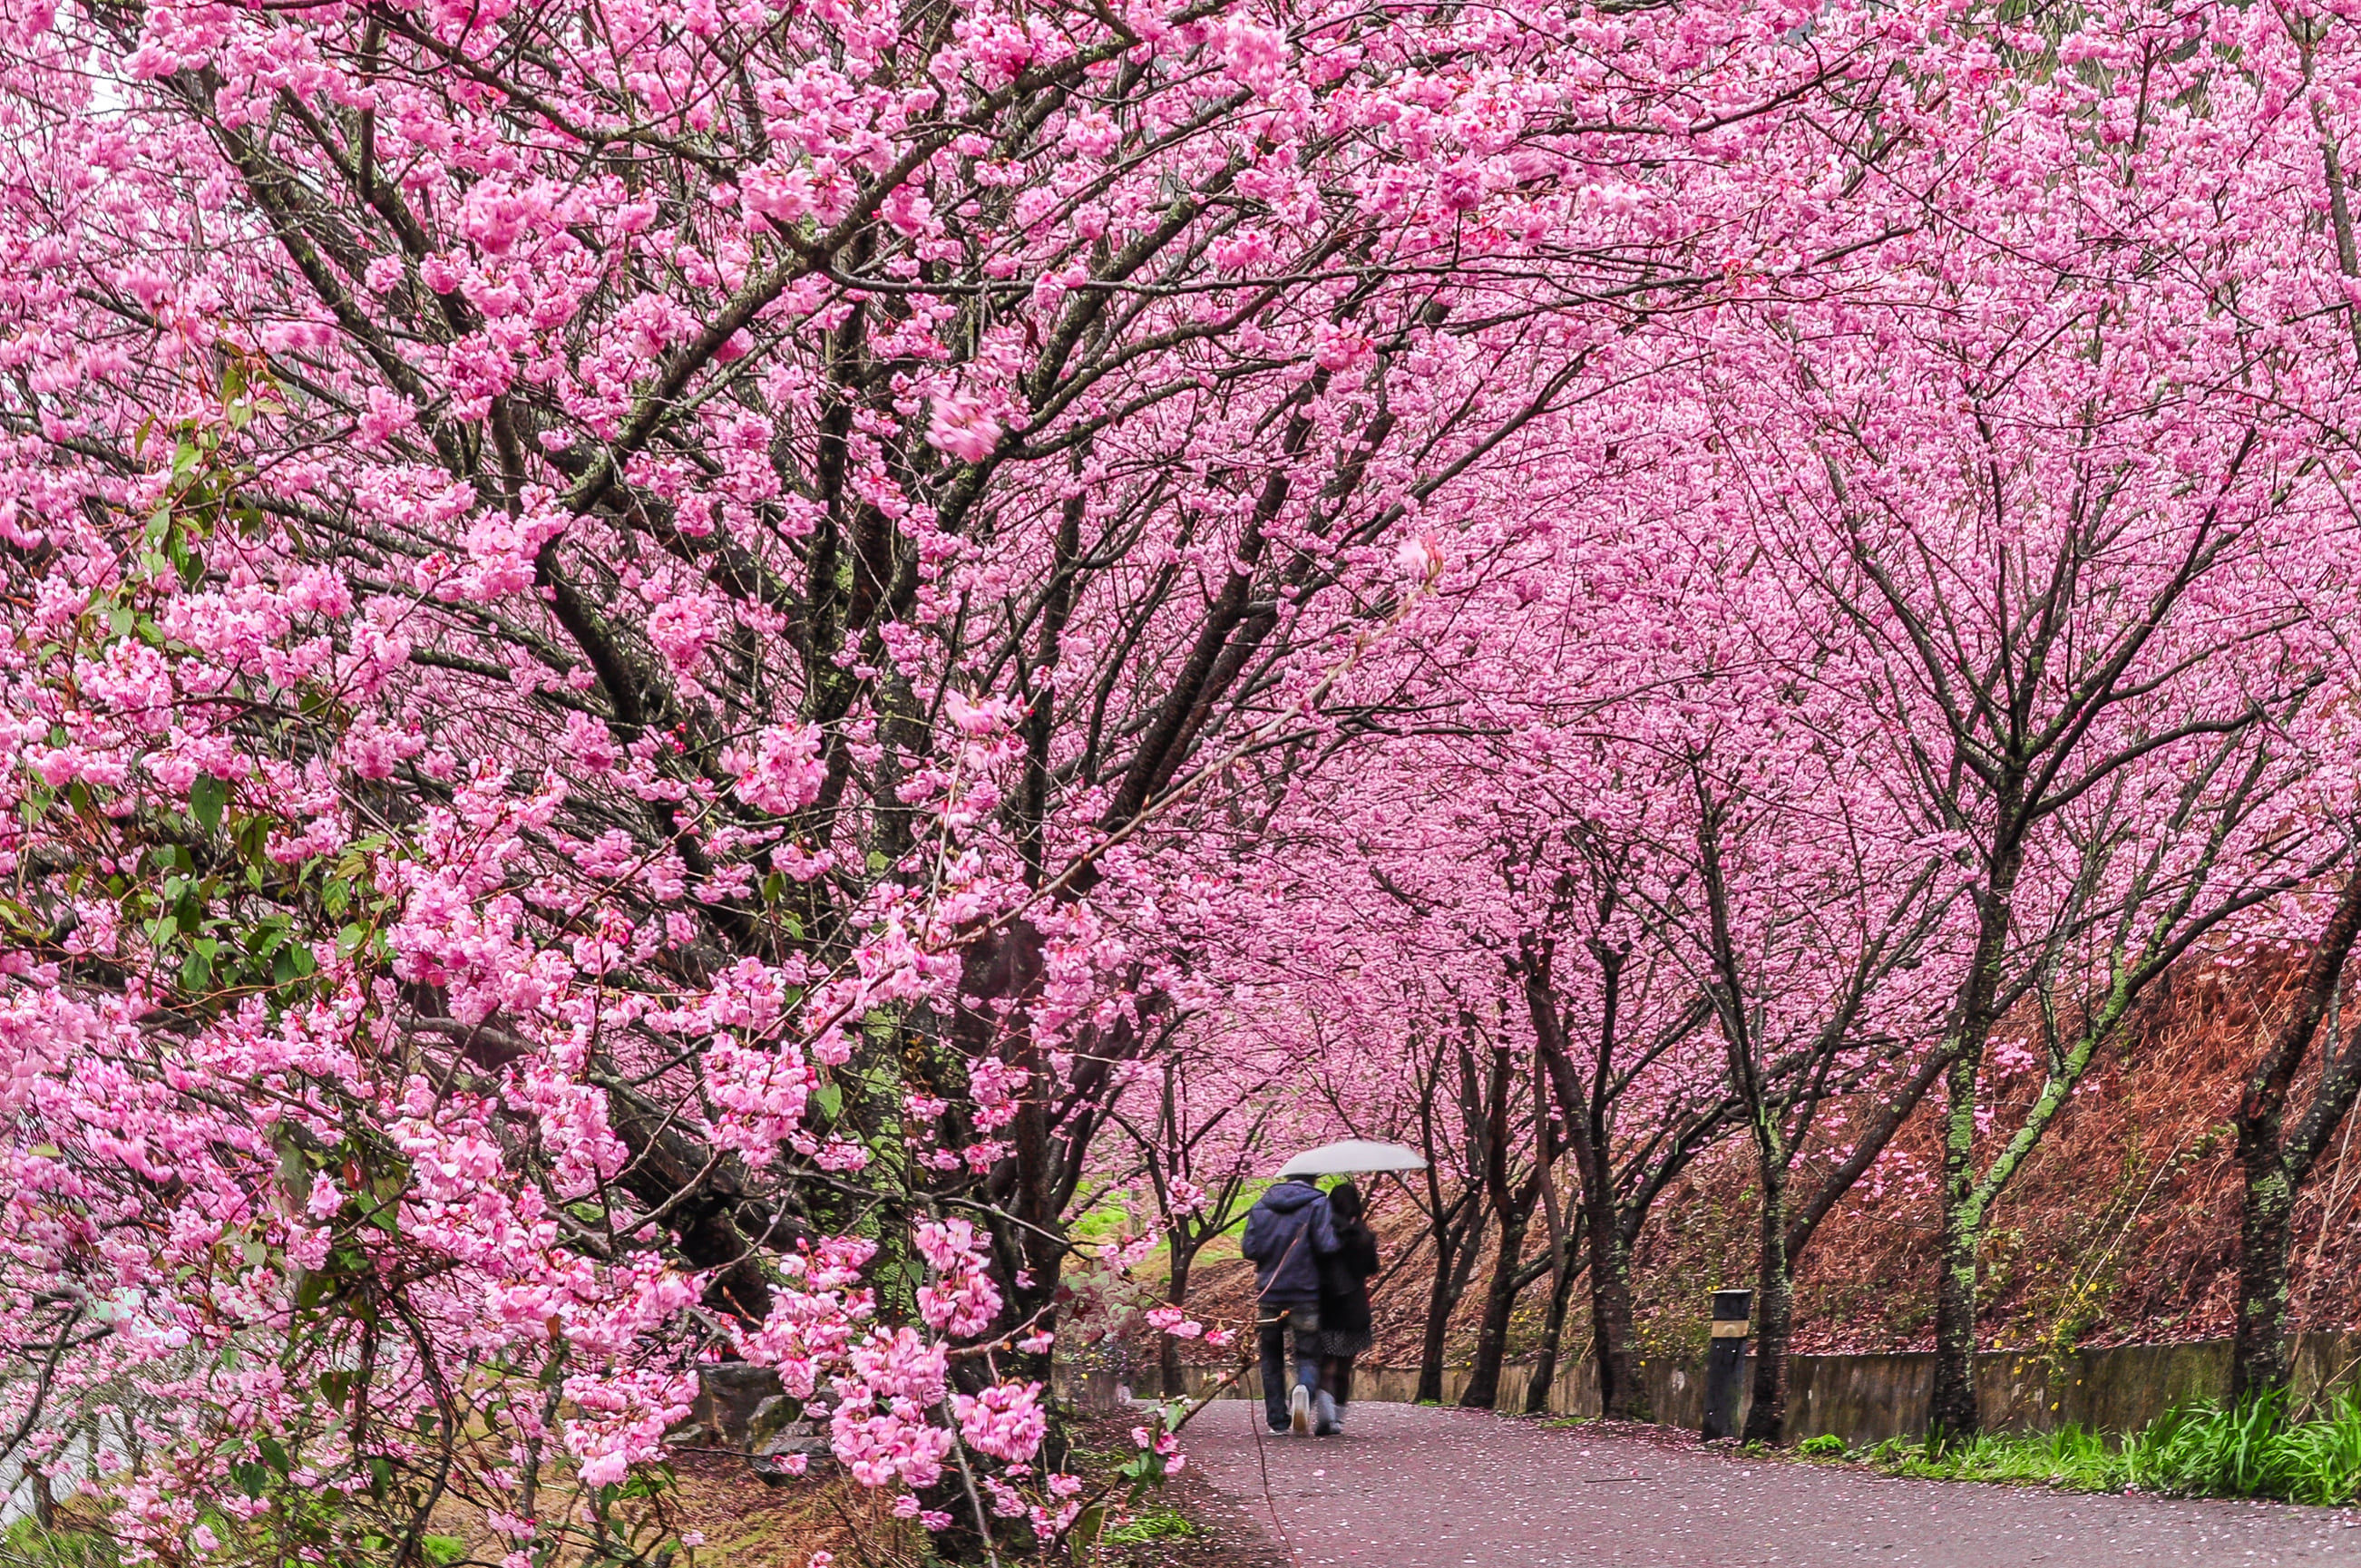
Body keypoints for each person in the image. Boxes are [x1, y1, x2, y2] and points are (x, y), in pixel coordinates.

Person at [1239, 1174, 1340, 1435]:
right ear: (1313, 1180)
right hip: (1306, 1294)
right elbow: (1327, 1246)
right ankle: (1303, 1390)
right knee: (1308, 1354)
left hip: (1269, 1293)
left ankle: (1277, 1421)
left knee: (1271, 1358)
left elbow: (1249, 1249)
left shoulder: (1261, 1206)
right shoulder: (1318, 1204)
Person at [1314, 1181, 1381, 1437]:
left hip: (1325, 1305)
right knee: (1345, 1366)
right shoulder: (1364, 1236)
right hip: (1354, 1307)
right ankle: (1338, 1418)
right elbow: (1372, 1269)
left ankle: (1325, 1410)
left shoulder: (1322, 1235)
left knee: (1324, 1363)